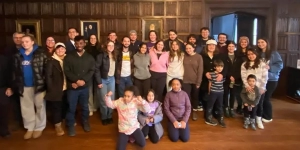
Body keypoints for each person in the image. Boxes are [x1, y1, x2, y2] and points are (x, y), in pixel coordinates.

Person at [12, 34, 47, 140]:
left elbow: (46, 70)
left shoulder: (40, 54)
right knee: (26, 108)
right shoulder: (18, 55)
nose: (24, 43)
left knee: (40, 106)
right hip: (24, 86)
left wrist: (44, 83)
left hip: (38, 85)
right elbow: (15, 72)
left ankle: (39, 127)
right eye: (23, 42)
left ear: (32, 42)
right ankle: (30, 127)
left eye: (27, 41)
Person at [64, 36, 95, 136]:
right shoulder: (69, 56)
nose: (79, 45)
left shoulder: (89, 57)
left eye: (81, 43)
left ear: (84, 44)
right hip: (73, 87)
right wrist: (76, 81)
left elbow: (91, 70)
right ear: (75, 44)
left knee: (85, 107)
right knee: (71, 107)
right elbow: (67, 71)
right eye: (77, 43)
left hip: (84, 87)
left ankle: (85, 122)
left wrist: (83, 80)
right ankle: (70, 125)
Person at [105, 86, 150, 150]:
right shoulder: (119, 101)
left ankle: (132, 136)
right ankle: (128, 137)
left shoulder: (136, 102)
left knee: (142, 144)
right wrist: (108, 96)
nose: (126, 98)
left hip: (134, 127)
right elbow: (110, 104)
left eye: (128, 96)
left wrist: (142, 101)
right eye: (125, 95)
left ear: (133, 96)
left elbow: (147, 109)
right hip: (123, 129)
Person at [256, 38, 283, 123]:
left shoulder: (274, 53)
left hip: (271, 79)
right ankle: (260, 114)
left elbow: (280, 65)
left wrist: (270, 68)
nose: (260, 44)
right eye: (258, 42)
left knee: (266, 98)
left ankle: (268, 116)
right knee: (260, 98)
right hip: (260, 79)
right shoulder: (258, 53)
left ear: (267, 43)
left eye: (262, 42)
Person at [241, 48, 268, 129]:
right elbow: (243, 77)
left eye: (252, 54)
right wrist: (247, 86)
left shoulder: (262, 64)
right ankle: (248, 118)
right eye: (248, 54)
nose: (250, 56)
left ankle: (258, 119)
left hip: (259, 88)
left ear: (256, 54)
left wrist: (262, 87)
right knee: (247, 104)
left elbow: (265, 77)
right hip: (248, 88)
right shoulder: (244, 64)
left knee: (259, 104)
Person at [44, 42, 67, 136]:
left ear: (65, 50)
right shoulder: (51, 61)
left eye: (62, 48)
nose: (60, 50)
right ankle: (57, 125)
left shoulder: (67, 59)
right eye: (58, 49)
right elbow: (48, 76)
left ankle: (64, 120)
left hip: (66, 88)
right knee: (56, 107)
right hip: (56, 88)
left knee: (65, 105)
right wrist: (51, 88)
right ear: (55, 50)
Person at [4, 32, 24, 131]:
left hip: (26, 80)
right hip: (14, 80)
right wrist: (9, 85)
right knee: (16, 103)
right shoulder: (8, 51)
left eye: (20, 37)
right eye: (16, 38)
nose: (18, 39)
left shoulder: (27, 49)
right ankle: (18, 121)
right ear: (13, 39)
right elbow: (6, 68)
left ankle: (27, 122)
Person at [95, 41, 117, 125]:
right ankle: (104, 117)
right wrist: (99, 81)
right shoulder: (100, 56)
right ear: (106, 46)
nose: (111, 47)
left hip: (112, 79)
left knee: (111, 99)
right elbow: (96, 69)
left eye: (112, 45)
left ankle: (109, 116)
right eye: (109, 45)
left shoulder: (115, 56)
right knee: (104, 99)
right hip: (103, 79)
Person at [164, 78, 191, 142]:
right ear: (171, 85)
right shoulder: (168, 94)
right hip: (173, 119)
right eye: (173, 84)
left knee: (185, 138)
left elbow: (188, 108)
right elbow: (166, 109)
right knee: (174, 138)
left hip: (183, 118)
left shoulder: (185, 94)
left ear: (180, 85)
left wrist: (184, 121)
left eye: (177, 84)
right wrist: (174, 121)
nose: (175, 86)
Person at [222, 41, 244, 118]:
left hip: (236, 79)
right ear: (227, 47)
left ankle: (231, 108)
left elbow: (240, 68)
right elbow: (223, 68)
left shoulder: (239, 57)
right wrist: (229, 76)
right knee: (225, 94)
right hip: (226, 79)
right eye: (229, 46)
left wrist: (235, 76)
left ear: (235, 47)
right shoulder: (223, 57)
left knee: (233, 95)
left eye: (232, 46)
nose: (231, 48)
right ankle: (225, 108)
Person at [182, 43, 203, 121]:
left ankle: (194, 111)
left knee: (195, 97)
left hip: (195, 80)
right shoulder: (183, 56)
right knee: (186, 97)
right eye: (186, 48)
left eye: (190, 48)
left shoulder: (198, 57)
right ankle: (187, 111)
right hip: (185, 80)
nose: (188, 50)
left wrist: (198, 82)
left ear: (193, 48)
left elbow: (200, 70)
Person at [206, 60, 226, 128]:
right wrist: (209, 91)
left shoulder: (222, 75)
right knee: (210, 105)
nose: (220, 68)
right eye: (218, 67)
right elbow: (210, 83)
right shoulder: (211, 74)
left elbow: (223, 83)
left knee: (220, 105)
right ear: (215, 67)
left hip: (220, 92)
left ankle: (220, 118)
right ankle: (208, 117)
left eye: (221, 67)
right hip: (213, 92)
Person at [85, 34, 102, 116]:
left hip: (98, 72)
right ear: (89, 39)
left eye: (94, 38)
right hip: (88, 72)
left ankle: (96, 106)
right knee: (89, 90)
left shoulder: (100, 48)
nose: (93, 39)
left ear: (96, 39)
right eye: (91, 38)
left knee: (97, 90)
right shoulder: (86, 49)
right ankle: (90, 107)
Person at [235, 36, 251, 114]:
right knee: (238, 92)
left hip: (247, 74)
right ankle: (239, 105)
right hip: (238, 74)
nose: (243, 43)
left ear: (247, 43)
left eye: (245, 42)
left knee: (247, 91)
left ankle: (246, 107)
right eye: (242, 42)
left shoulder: (250, 52)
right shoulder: (236, 52)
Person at [0, 54, 13, 138]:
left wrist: (10, 87)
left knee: (3, 112)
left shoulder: (4, 59)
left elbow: (10, 74)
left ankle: (4, 131)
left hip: (2, 88)